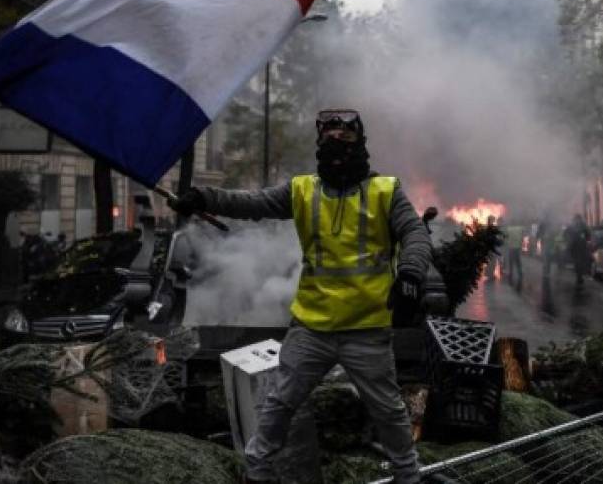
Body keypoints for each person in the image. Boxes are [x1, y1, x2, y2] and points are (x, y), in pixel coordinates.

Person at [169, 109, 430, 484]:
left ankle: (408, 476)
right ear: (320, 142)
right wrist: (201, 198)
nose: (337, 144)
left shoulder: (385, 191)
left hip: (366, 329)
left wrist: (410, 273)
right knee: (279, 402)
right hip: (312, 328)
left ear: (360, 141)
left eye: (345, 136)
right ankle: (256, 470)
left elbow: (415, 234)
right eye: (330, 137)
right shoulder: (302, 189)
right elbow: (250, 203)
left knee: (388, 410)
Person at [563, 214, 591, 285]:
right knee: (579, 261)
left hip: (577, 246)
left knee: (578, 261)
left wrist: (568, 240)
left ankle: (579, 275)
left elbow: (565, 233)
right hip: (579, 246)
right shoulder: (582, 225)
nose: (577, 221)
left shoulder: (574, 225)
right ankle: (579, 275)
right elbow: (588, 235)